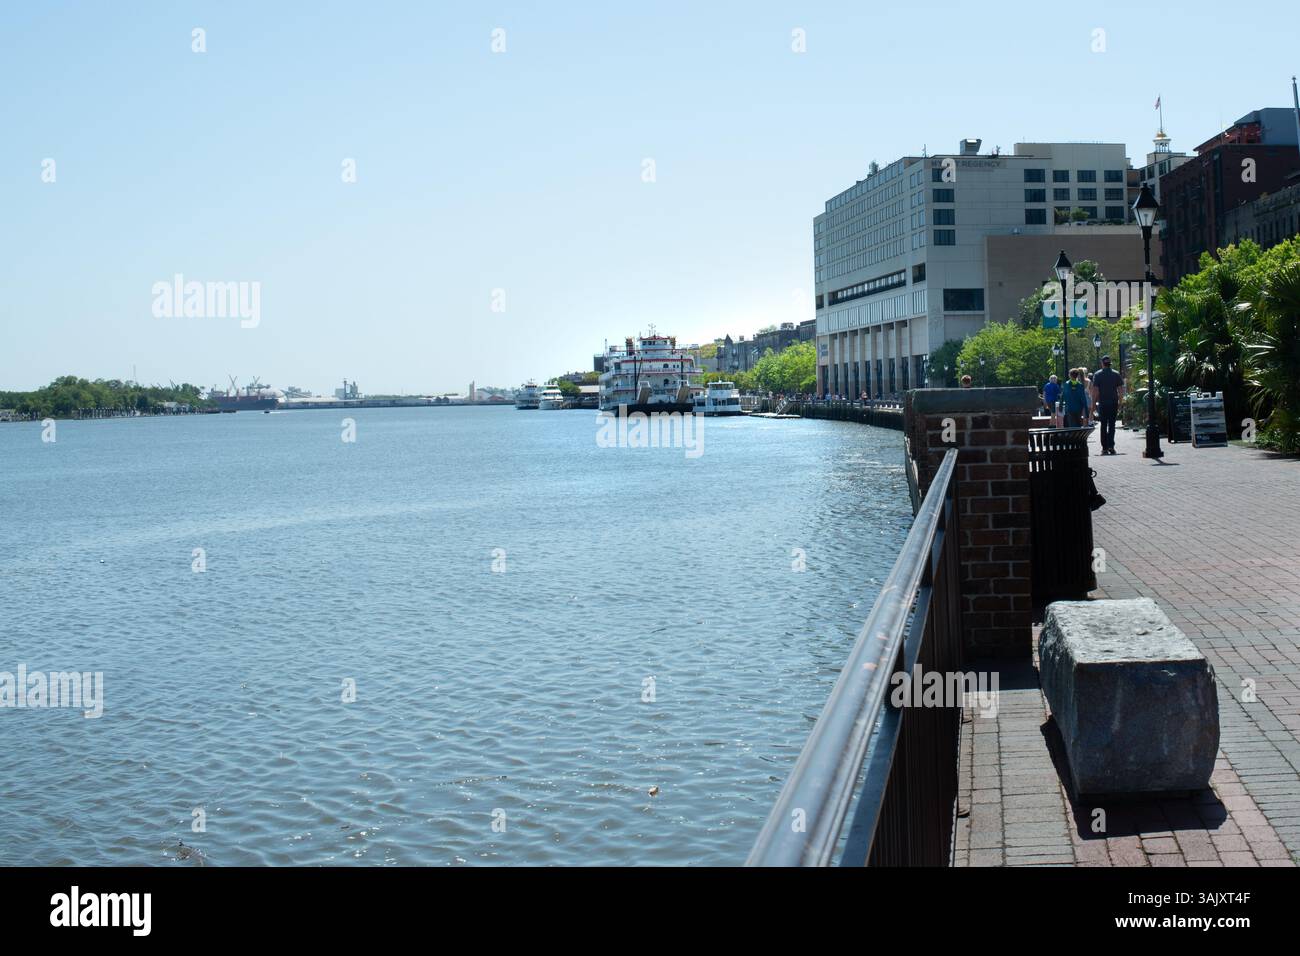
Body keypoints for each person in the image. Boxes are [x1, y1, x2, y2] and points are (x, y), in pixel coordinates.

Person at [1091, 355, 1124, 455]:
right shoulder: (1116, 374)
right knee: (1112, 425)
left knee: (1103, 425)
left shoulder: (1097, 374)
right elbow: (1120, 391)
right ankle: (1111, 446)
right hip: (1113, 402)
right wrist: (1121, 403)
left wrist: (1093, 405)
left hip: (1103, 403)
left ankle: (1104, 447)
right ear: (1110, 364)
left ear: (1102, 363)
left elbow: (1095, 392)